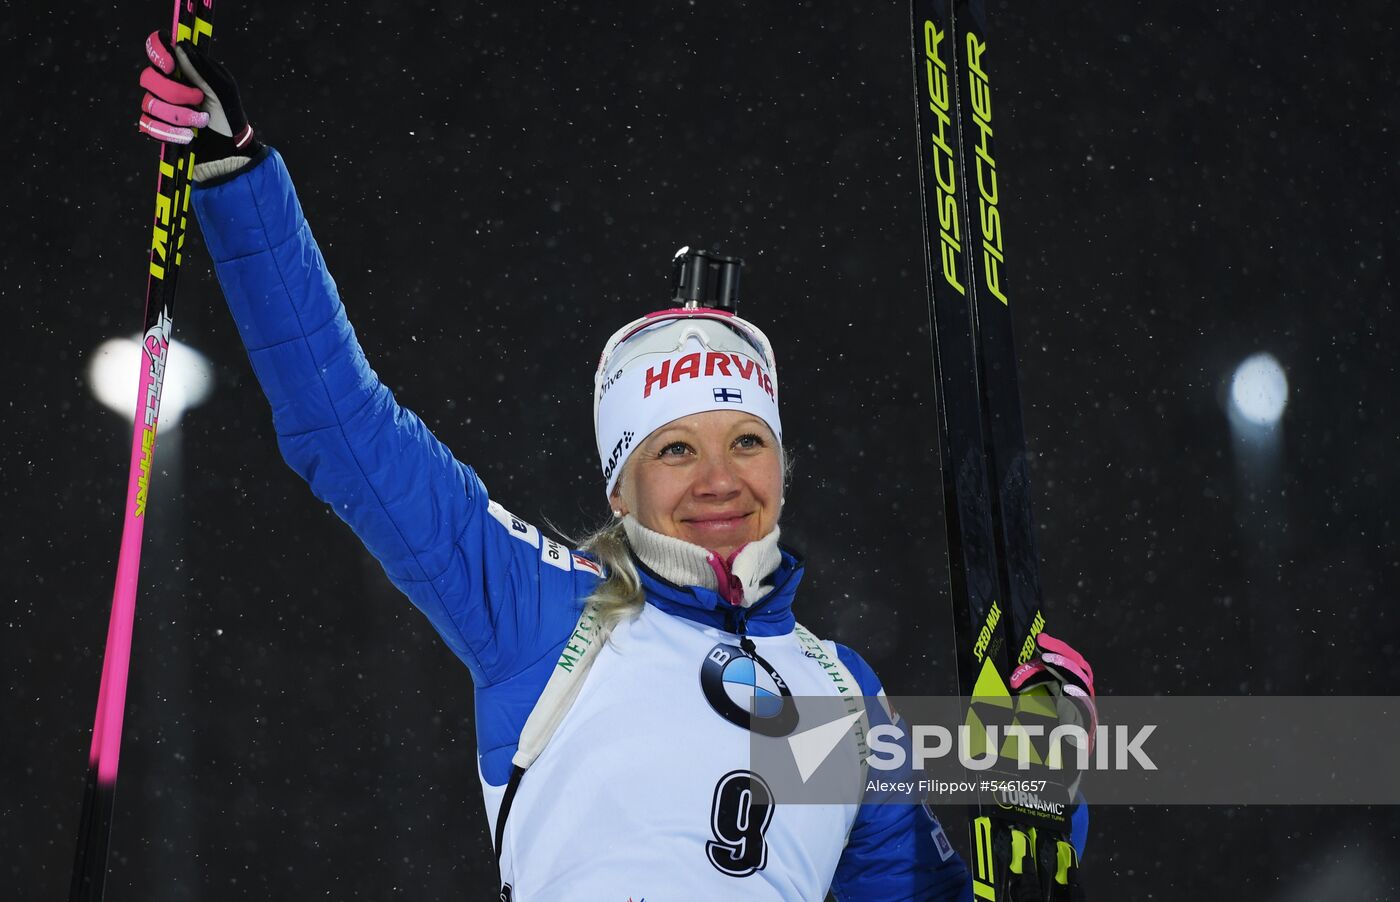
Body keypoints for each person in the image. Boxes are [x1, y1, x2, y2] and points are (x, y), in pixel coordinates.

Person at [136, 32, 1094, 901]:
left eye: (746, 443)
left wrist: (1043, 793)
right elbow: (340, 427)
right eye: (675, 449)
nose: (720, 480)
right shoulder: (550, 610)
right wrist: (236, 173)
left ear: (783, 466)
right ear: (619, 485)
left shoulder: (842, 695)